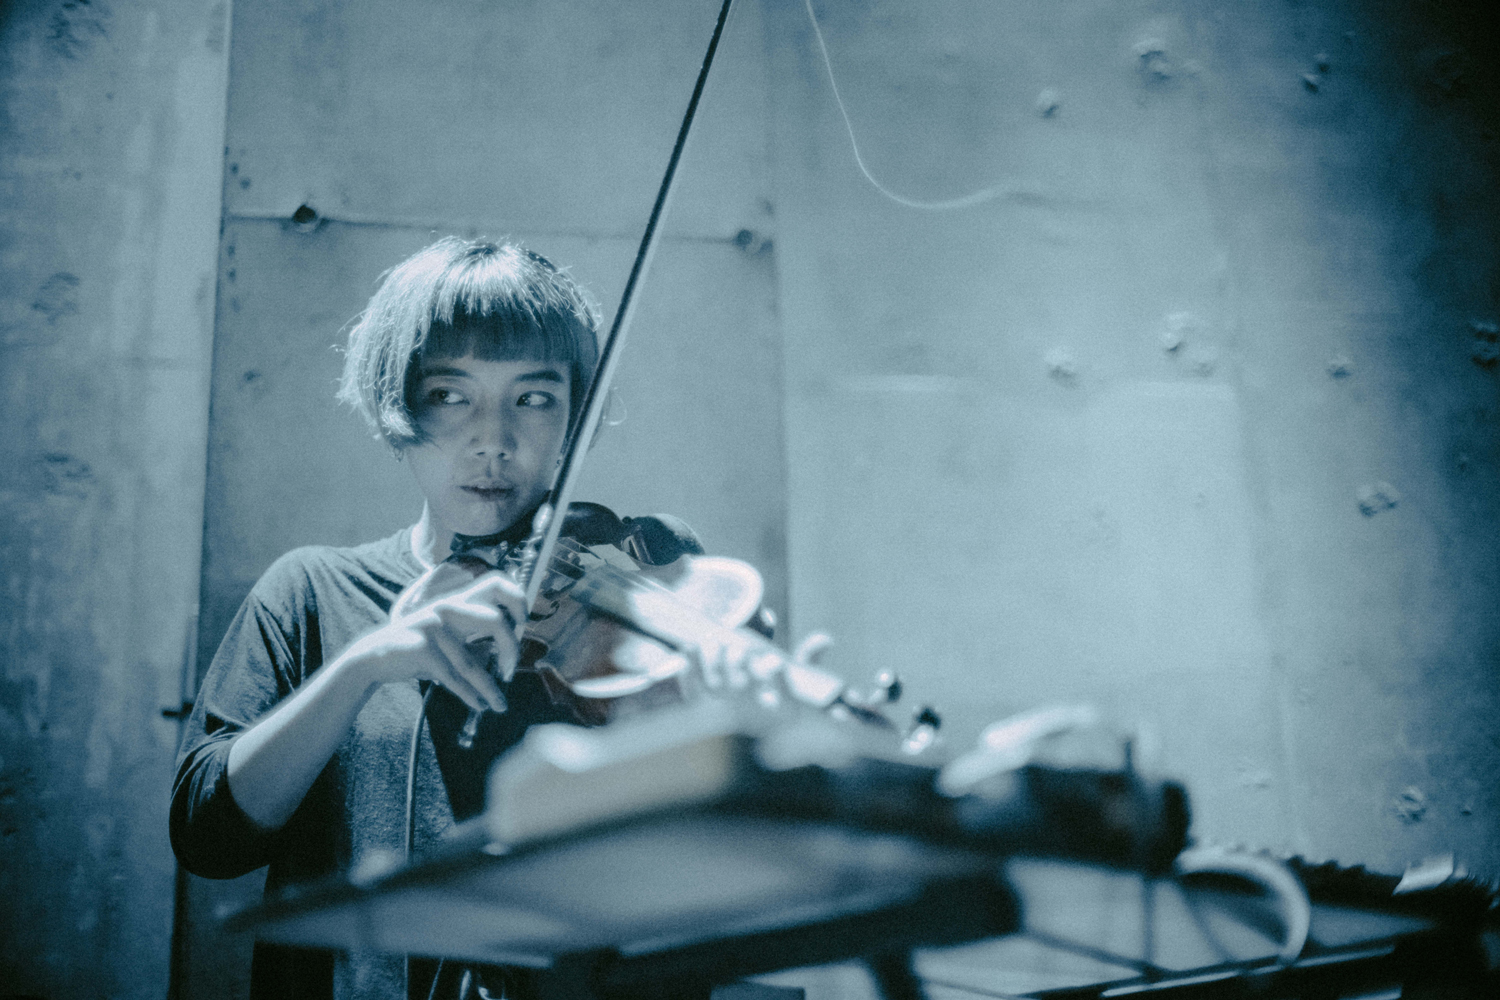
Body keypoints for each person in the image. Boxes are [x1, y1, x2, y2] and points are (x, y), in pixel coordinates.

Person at [170, 237, 706, 1000]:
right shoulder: (312, 590)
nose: (493, 441)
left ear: (575, 417)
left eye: (534, 399)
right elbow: (209, 840)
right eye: (450, 395)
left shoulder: (631, 581)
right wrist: (363, 665)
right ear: (398, 406)